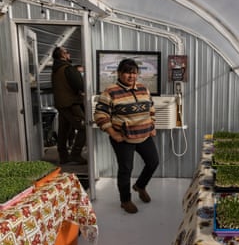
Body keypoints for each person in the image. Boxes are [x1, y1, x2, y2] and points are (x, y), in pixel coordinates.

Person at [94, 58, 159, 214]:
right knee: (126, 170)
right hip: (123, 138)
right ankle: (125, 200)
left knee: (153, 162)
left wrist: (152, 126)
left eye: (134, 73)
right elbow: (100, 115)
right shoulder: (110, 91)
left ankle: (140, 186)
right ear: (119, 73)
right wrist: (113, 133)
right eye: (128, 73)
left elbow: (151, 108)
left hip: (144, 135)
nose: (131, 76)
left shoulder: (144, 88)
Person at [51, 46, 87, 165]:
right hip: (71, 103)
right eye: (67, 52)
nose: (69, 54)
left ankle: (64, 156)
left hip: (61, 104)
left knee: (63, 130)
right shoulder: (67, 68)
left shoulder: (55, 69)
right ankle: (75, 154)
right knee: (84, 127)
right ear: (62, 55)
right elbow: (80, 84)